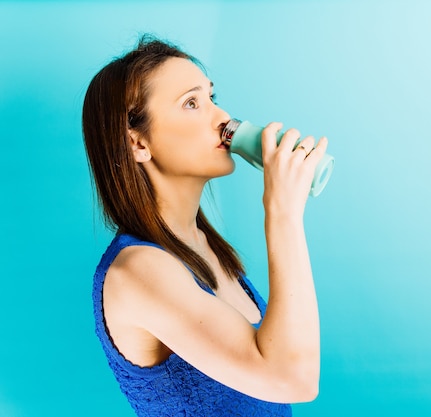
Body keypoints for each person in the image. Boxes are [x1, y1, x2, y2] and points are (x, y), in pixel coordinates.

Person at [82, 36, 327, 416]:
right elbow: (292, 378)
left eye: (212, 97)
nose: (222, 118)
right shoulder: (137, 271)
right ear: (137, 143)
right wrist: (283, 213)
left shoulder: (204, 246)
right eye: (192, 103)